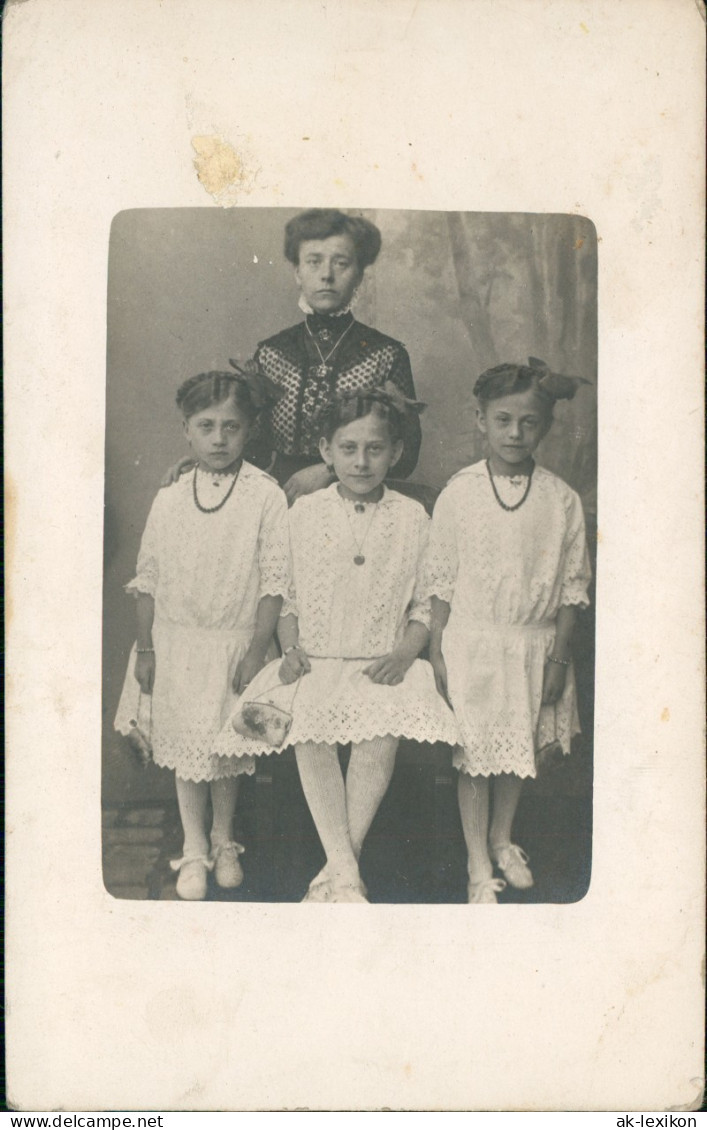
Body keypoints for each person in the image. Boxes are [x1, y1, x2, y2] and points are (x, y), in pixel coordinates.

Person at [213, 389, 459, 902]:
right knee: (308, 726)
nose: (361, 461)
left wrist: (403, 653)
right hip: (315, 658)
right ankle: (346, 873)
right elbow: (285, 594)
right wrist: (292, 646)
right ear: (326, 450)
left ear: (394, 453)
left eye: (375, 449)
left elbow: (425, 602)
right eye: (348, 448)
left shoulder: (413, 517)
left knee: (380, 731)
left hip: (382, 661)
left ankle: (337, 873)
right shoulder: (303, 513)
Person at [114, 371, 290, 900]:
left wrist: (257, 650)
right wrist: (147, 648)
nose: (219, 439)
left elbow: (274, 581)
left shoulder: (266, 495)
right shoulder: (170, 497)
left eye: (231, 427)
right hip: (177, 643)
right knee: (188, 747)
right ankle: (193, 847)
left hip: (236, 642)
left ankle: (223, 838)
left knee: (225, 747)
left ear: (250, 429)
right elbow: (148, 578)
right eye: (206, 426)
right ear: (186, 429)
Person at [424, 359, 592, 904]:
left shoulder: (562, 500)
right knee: (475, 754)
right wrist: (438, 653)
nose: (515, 433)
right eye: (503, 421)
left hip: (532, 644)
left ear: (544, 426)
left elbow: (571, 588)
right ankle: (477, 860)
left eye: (528, 423)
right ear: (481, 421)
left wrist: (559, 659)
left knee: (515, 747)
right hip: (471, 642)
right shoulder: (460, 493)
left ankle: (502, 838)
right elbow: (440, 582)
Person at [162, 209, 422, 503]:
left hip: (356, 495)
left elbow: (406, 456)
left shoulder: (385, 354)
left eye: (341, 263)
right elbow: (251, 445)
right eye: (313, 262)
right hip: (279, 496)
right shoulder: (272, 352)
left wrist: (329, 470)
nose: (326, 275)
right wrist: (204, 467)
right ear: (298, 272)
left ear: (359, 274)